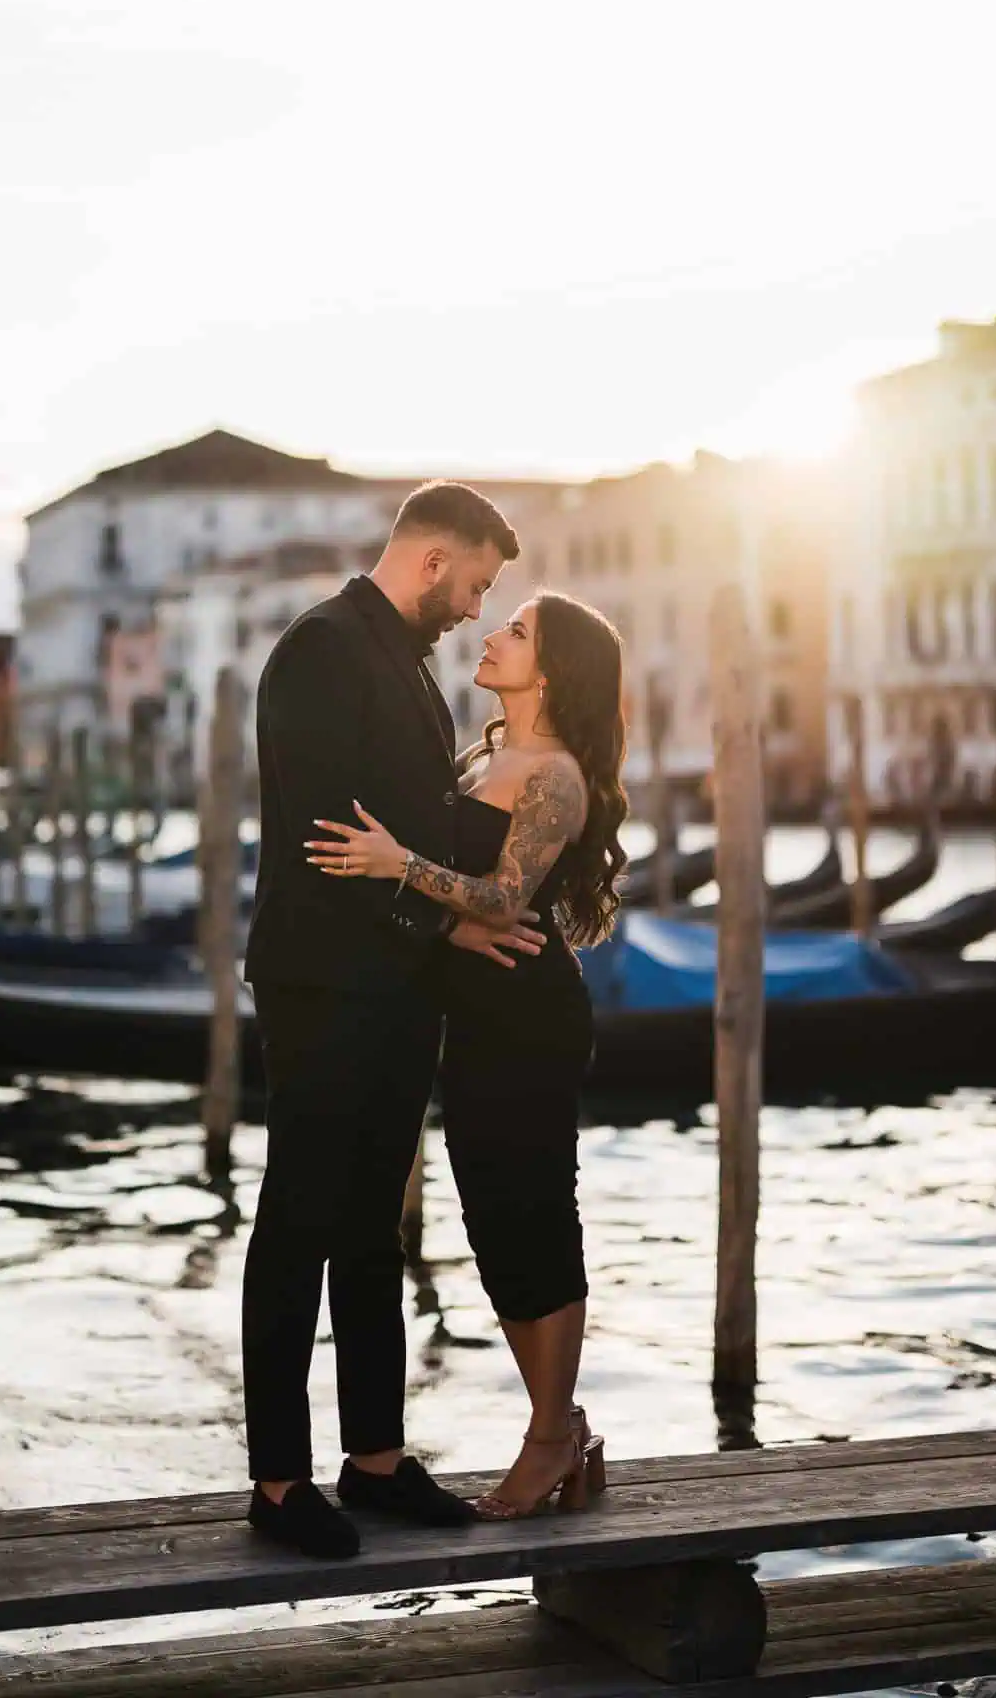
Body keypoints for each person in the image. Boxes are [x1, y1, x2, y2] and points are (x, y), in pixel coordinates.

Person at [242, 481, 543, 1559]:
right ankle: (277, 1481)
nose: (474, 608)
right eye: (474, 584)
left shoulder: (403, 663)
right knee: (300, 1218)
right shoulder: (322, 649)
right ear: (430, 560)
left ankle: (373, 1457)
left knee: (374, 1221)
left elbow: (409, 828)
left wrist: (447, 920)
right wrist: (444, 925)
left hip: (394, 978)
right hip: (324, 978)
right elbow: (332, 841)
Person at [309, 589, 627, 1519]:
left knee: (534, 1213)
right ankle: (559, 1427)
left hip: (529, 1018)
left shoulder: (555, 776)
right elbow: (472, 915)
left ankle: (548, 1436)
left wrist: (396, 865)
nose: (492, 634)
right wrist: (441, 928)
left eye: (516, 630)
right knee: (492, 1224)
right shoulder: (486, 752)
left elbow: (501, 896)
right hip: (476, 1016)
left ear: (554, 668)